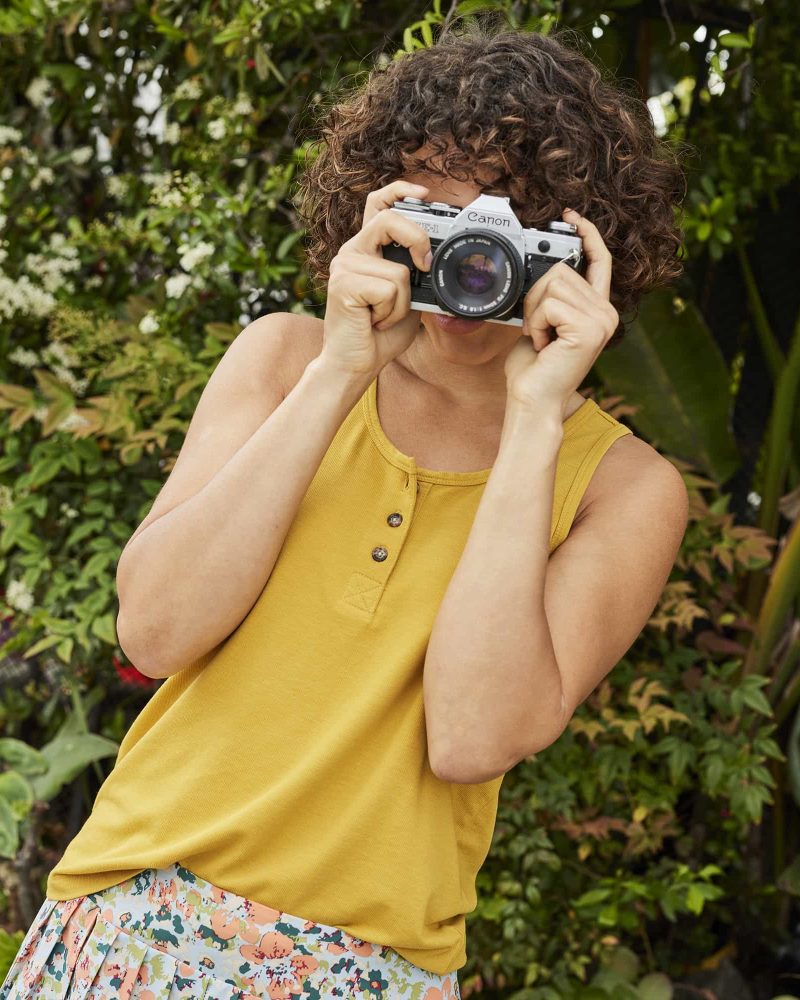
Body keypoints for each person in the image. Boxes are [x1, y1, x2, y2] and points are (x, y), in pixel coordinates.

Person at [1, 16, 689, 1000]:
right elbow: (153, 631)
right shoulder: (286, 358)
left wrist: (536, 417)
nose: (469, 260)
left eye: (506, 227)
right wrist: (338, 372)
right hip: (138, 914)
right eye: (437, 218)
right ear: (375, 209)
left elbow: (470, 736)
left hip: (367, 968)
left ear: (583, 244)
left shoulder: (625, 488)